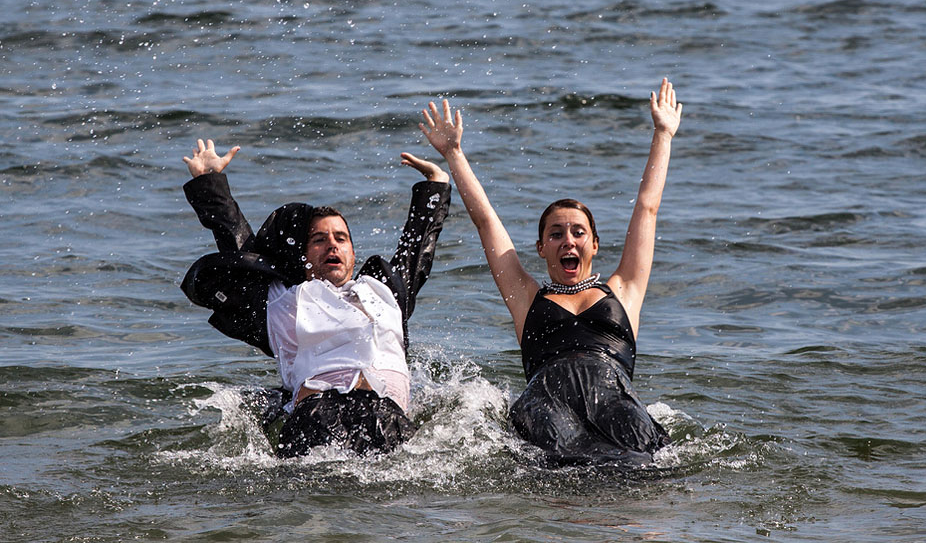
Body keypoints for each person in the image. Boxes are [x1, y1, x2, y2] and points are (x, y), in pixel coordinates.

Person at [420, 79, 682, 465]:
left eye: (579, 232)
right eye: (556, 234)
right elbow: (486, 221)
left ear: (594, 244)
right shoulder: (527, 297)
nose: (568, 241)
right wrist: (454, 153)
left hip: (613, 398)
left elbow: (647, 209)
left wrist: (663, 134)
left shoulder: (623, 290)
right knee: (558, 459)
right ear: (541, 248)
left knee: (644, 455)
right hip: (547, 402)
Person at [179, 139, 451, 458]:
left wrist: (436, 184)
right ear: (304, 256)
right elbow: (243, 255)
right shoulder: (283, 300)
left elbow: (416, 248)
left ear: (352, 251)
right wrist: (210, 183)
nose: (332, 246)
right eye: (319, 240)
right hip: (316, 417)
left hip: (386, 417)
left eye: (340, 238)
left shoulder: (385, 291)